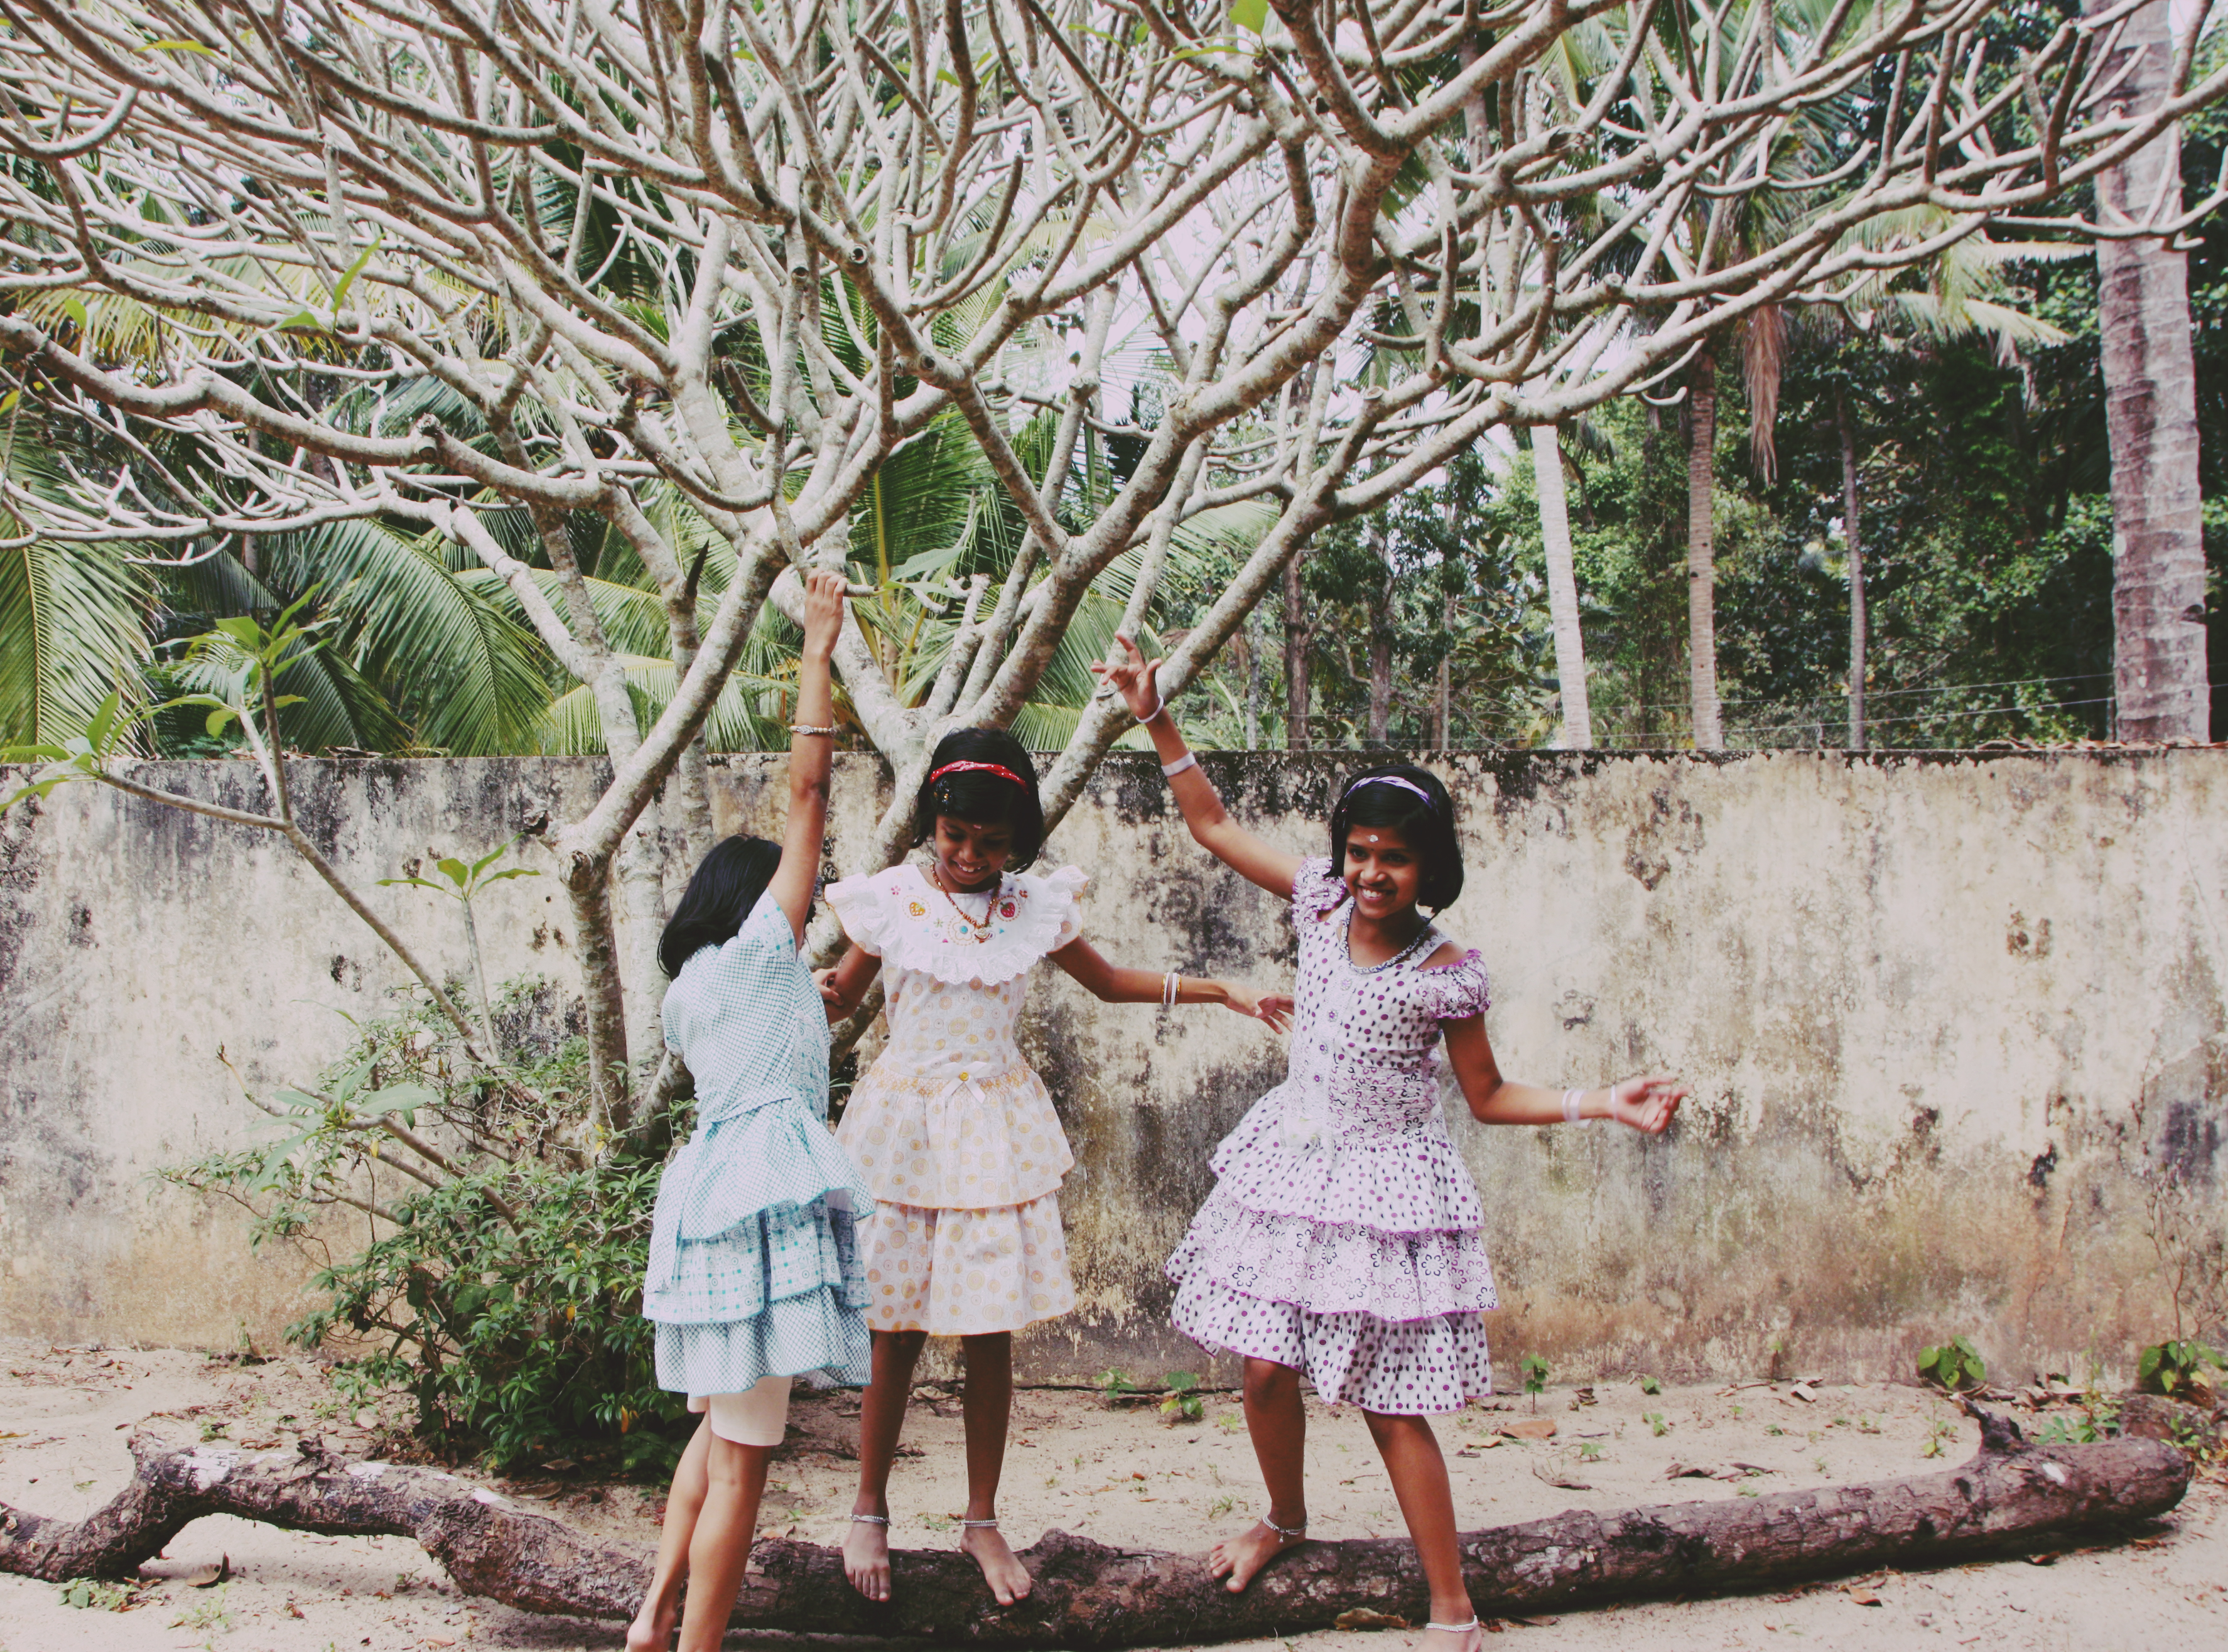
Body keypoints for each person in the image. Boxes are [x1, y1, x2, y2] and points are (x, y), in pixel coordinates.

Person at [1093, 634, 1688, 1652]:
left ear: (1430, 869)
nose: (1372, 871)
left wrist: (1602, 1102)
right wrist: (1154, 713)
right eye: (1360, 850)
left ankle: (1453, 1607)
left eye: (1395, 858)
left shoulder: (1447, 973)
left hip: (1386, 1192)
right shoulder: (1320, 901)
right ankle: (1284, 1520)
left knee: (1387, 1401)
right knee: (1265, 1371)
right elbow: (1213, 824)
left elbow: (1489, 1096)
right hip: (1294, 1166)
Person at [814, 725, 1292, 1606]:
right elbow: (843, 991)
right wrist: (788, 990)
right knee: (895, 1329)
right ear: (931, 823)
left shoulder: (1033, 907)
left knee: (989, 1329)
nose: (970, 855)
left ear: (1020, 841)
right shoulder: (893, 900)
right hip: (903, 1130)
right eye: (955, 836)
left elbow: (1107, 981)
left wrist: (1221, 989)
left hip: (994, 1134)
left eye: (992, 842)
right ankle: (869, 1510)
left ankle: (981, 1519)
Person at [628, 570, 868, 1652]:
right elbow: (808, 795)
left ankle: (652, 1617)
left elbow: (790, 1023)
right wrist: (817, 648)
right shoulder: (767, 947)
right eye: (789, 895)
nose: (803, 905)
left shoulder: (691, 993)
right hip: (763, 1212)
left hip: (705, 1206)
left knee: (719, 1434)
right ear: (755, 900)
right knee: (746, 1468)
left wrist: (838, 979)